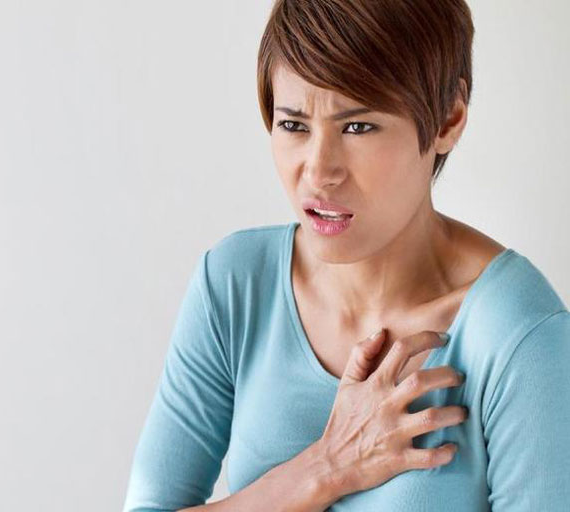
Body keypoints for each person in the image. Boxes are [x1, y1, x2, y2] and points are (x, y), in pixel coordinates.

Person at [123, 1, 570, 510]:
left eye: (357, 127)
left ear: (448, 118)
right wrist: (327, 467)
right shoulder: (235, 283)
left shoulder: (520, 335)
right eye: (294, 126)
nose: (319, 172)